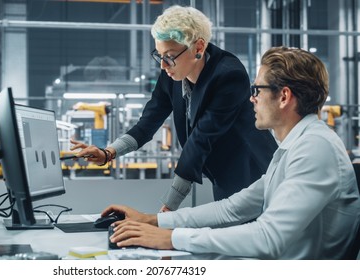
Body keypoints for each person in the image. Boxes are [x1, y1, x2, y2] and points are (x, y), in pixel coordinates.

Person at [101, 46, 360, 259]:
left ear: (283, 97)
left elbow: (269, 237)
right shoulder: (295, 147)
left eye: (257, 90)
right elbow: (233, 209)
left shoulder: (315, 148)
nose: (251, 99)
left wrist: (171, 238)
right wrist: (154, 221)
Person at [70, 5, 277, 211]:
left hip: (252, 173)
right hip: (222, 173)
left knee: (246, 237)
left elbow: (200, 140)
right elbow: (148, 122)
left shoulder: (228, 76)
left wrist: (168, 208)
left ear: (198, 48)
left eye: (168, 56)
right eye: (159, 55)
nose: (163, 65)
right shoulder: (172, 74)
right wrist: (108, 153)